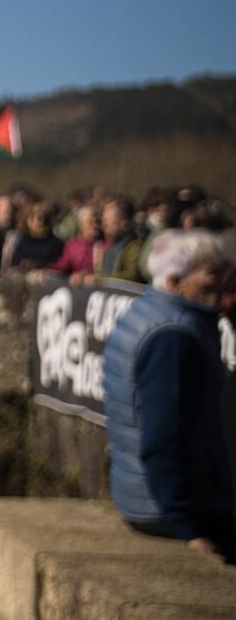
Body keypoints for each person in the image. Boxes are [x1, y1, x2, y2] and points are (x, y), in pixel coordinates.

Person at [102, 230, 236, 560]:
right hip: (166, 508)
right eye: (213, 274)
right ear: (176, 281)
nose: (224, 283)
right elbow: (162, 440)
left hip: (139, 496)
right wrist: (188, 528)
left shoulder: (148, 312)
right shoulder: (174, 338)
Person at [5, 203, 64, 271]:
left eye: (42, 218)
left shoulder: (56, 244)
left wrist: (37, 265)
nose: (39, 223)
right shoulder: (22, 241)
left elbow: (60, 265)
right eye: (33, 218)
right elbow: (14, 263)